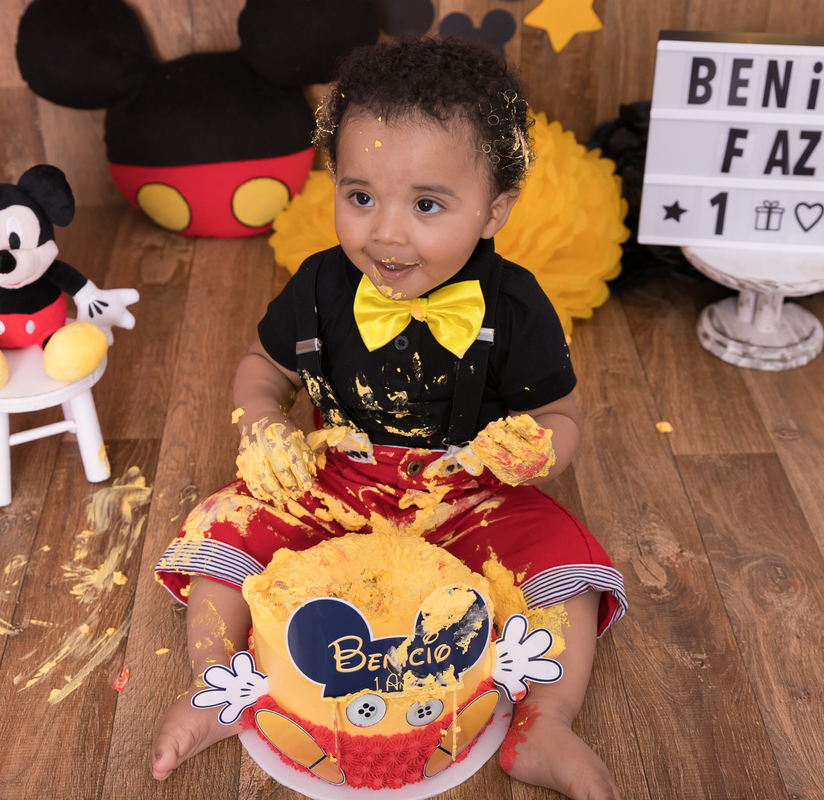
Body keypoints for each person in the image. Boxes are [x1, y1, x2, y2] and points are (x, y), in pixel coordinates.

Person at [150, 36, 628, 800]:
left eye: (427, 205)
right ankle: (220, 687)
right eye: (361, 197)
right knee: (221, 529)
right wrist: (264, 422)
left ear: (495, 209)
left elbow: (558, 414)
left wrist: (538, 450)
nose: (386, 233)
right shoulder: (319, 286)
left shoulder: (514, 306)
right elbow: (263, 368)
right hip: (336, 483)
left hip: (469, 493)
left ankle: (548, 722)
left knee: (568, 567)